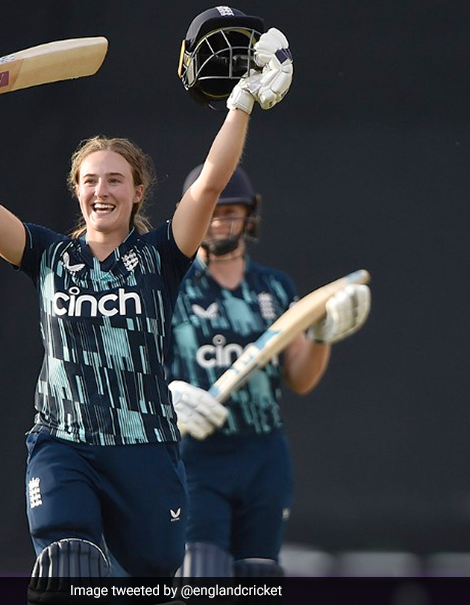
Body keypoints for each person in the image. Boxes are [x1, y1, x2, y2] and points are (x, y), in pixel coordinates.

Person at [0, 17, 294, 592]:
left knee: (155, 573)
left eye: (114, 180)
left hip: (145, 449)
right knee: (68, 567)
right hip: (64, 441)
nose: (100, 190)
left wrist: (243, 103)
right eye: (89, 180)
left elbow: (208, 185)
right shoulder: (48, 255)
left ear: (137, 191)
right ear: (76, 191)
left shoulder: (163, 254)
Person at [166, 166, 371, 578]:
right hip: (193, 458)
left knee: (258, 577)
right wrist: (165, 398)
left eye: (231, 211)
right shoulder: (169, 284)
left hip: (262, 455)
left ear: (250, 215)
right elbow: (132, 368)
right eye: (210, 211)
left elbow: (300, 379)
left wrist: (320, 337)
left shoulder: (275, 288)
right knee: (200, 575)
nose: (220, 221)